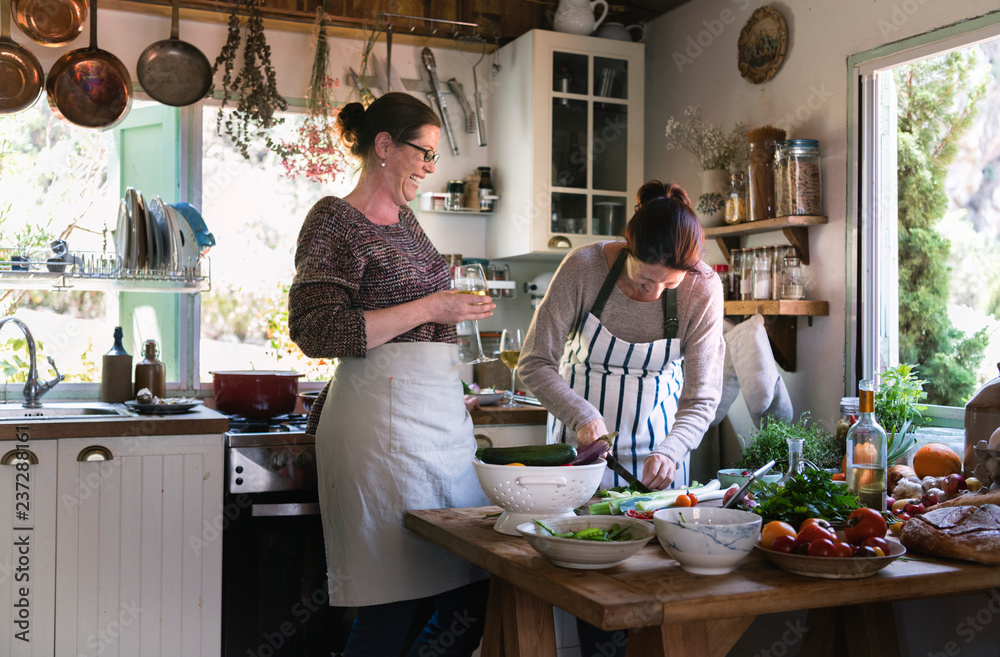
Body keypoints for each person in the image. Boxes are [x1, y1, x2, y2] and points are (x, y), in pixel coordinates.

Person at [288, 92, 496, 657]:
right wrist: (433, 309)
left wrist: (449, 389)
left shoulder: (408, 223)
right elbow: (316, 329)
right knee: (393, 601)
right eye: (424, 153)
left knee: (470, 600)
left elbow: (425, 328)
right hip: (380, 430)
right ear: (384, 146)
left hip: (436, 425)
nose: (431, 167)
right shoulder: (335, 220)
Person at [518, 180, 725, 656]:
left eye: (667, 284)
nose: (653, 293)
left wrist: (671, 452)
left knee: (654, 593)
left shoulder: (702, 290)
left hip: (658, 461)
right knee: (587, 592)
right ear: (627, 247)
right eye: (643, 279)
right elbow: (534, 363)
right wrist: (582, 414)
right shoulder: (585, 268)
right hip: (580, 454)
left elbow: (701, 399)